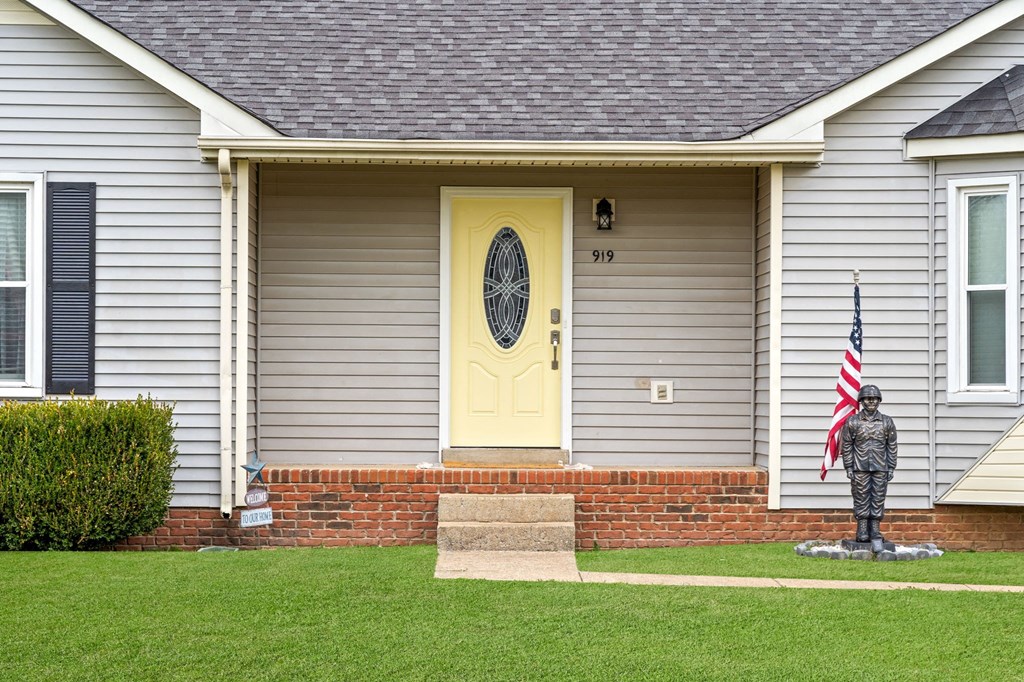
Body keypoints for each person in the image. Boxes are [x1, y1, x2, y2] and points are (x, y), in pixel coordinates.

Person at [840, 385, 897, 543]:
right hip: (860, 467)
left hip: (881, 467)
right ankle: (862, 530)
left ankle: (875, 530)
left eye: (874, 398)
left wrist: (891, 467)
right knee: (861, 497)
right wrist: (849, 466)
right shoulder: (853, 421)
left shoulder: (887, 421)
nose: (871, 401)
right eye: (867, 398)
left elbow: (891, 446)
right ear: (862, 401)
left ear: (879, 401)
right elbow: (847, 445)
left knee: (878, 498)